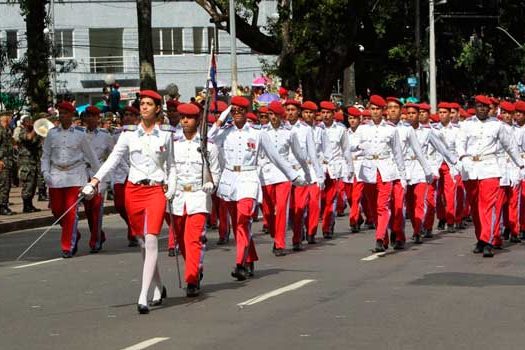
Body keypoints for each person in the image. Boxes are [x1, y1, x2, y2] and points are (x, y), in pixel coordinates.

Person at [83, 90, 176, 314]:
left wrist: (171, 187)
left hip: (155, 190)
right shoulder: (128, 135)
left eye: (148, 104)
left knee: (152, 238)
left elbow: (171, 166)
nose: (144, 107)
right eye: (142, 104)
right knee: (144, 243)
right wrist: (94, 181)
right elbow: (112, 160)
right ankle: (159, 286)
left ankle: (142, 296)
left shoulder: (165, 135)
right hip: (134, 190)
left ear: (157, 108)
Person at [208, 96, 305, 281]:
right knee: (237, 224)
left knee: (243, 220)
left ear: (247, 112)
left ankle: (240, 263)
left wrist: (294, 176)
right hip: (229, 180)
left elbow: (276, 157)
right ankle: (249, 257)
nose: (237, 114)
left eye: (240, 110)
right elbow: (209, 138)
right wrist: (222, 116)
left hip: (248, 178)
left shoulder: (258, 133)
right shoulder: (224, 132)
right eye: (234, 111)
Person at [458, 95, 524, 257]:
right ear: (474, 107)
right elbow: (460, 143)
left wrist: (520, 165)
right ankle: (481, 238)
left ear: (489, 110)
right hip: (471, 168)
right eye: (478, 106)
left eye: (484, 107)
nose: (481, 109)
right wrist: (462, 157)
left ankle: (488, 240)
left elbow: (510, 146)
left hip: (490, 168)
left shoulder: (498, 126)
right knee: (475, 207)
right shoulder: (466, 125)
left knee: (487, 206)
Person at [169, 103, 220, 296]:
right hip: (178, 196)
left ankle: (191, 279)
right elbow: (170, 168)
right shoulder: (173, 143)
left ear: (198, 120)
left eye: (189, 118)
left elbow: (215, 170)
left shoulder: (208, 145)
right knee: (181, 239)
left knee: (193, 239)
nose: (184, 121)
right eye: (182, 117)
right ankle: (195, 267)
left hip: (199, 196)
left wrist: (211, 184)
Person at [41, 102, 101, 257]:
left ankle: (67, 246)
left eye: (65, 113)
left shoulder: (80, 134)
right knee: (57, 210)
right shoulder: (52, 133)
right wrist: (45, 172)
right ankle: (73, 232)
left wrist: (97, 179)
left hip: (75, 175)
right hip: (56, 175)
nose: (62, 116)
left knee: (69, 212)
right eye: (60, 113)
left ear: (72, 115)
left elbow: (92, 158)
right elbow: (46, 155)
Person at [350, 95, 405, 252]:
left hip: (385, 169)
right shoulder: (362, 129)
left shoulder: (390, 129)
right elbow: (352, 145)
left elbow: (397, 153)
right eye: (372, 109)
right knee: (374, 207)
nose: (374, 112)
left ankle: (379, 238)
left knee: (383, 206)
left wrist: (402, 176)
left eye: (378, 109)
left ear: (383, 111)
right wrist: (356, 147)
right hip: (367, 170)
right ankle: (384, 237)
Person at [259, 101, 310, 255]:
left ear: (281, 116)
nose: (273, 117)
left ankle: (279, 242)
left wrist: (306, 172)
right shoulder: (260, 132)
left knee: (282, 208)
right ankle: (276, 235)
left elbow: (299, 154)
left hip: (283, 174)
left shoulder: (289, 132)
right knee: (267, 212)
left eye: (275, 114)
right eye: (270, 114)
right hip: (265, 174)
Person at [285, 99, 324, 245]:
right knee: (291, 208)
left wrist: (319, 175)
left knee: (303, 206)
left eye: (293, 110)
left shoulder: (306, 130)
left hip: (303, 171)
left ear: (298, 112)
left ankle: (303, 235)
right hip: (285, 172)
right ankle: (297, 230)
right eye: (287, 110)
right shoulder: (280, 129)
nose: (290, 113)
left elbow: (313, 153)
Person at [82, 106, 115, 253]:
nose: (90, 119)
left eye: (93, 116)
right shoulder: (79, 134)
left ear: (98, 118)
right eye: (87, 116)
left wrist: (110, 176)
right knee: (88, 211)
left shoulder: (105, 136)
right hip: (82, 173)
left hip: (99, 173)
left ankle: (94, 242)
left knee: (96, 209)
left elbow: (113, 156)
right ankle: (98, 235)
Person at [319, 101, 354, 239]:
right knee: (320, 199)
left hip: (335, 167)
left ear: (333, 114)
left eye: (328, 113)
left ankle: (327, 225)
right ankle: (325, 220)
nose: (326, 115)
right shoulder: (316, 129)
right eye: (323, 112)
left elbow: (346, 150)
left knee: (331, 199)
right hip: (320, 168)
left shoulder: (340, 130)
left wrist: (349, 167)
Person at [112, 106, 140, 247]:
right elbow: (114, 156)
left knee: (133, 206)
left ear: (137, 118)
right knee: (120, 205)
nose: (127, 117)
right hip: (120, 174)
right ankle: (131, 225)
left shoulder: (141, 134)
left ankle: (133, 232)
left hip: (137, 175)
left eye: (131, 115)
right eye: (125, 115)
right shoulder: (116, 135)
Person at [17, 114, 42, 213]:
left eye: (31, 122)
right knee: (28, 184)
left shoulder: (35, 133)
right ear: (24, 123)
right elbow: (29, 138)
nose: (31, 123)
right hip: (26, 163)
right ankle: (26, 206)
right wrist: (35, 130)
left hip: (34, 162)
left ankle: (30, 204)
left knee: (33, 184)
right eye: (28, 122)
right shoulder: (22, 132)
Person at [0, 112, 15, 215]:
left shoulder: (7, 130)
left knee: (7, 184)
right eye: (9, 118)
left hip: (8, 161)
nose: (10, 119)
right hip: (2, 161)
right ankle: (2, 206)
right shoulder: (0, 130)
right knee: (4, 184)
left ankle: (4, 205)